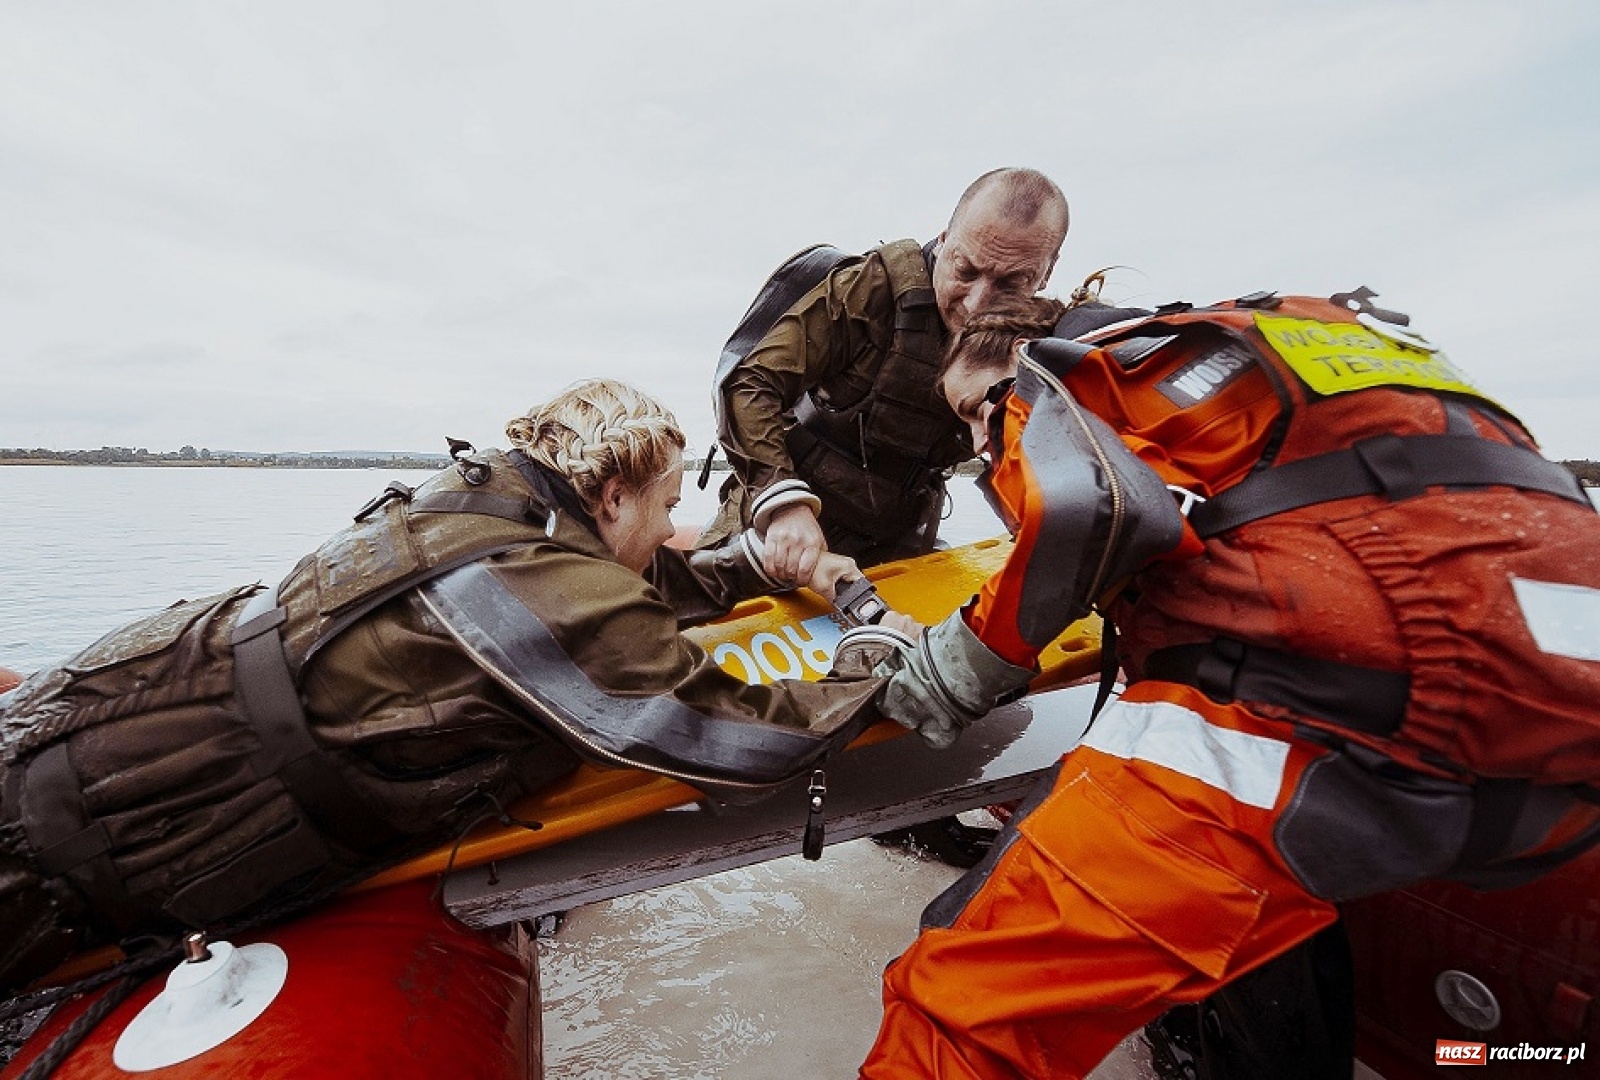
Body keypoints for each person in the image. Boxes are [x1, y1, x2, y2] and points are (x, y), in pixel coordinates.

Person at [857, 287, 1600, 1078]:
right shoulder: (1291, 340)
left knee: (963, 1011)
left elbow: (1075, 515)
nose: (980, 439)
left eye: (976, 408)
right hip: (1565, 671)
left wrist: (949, 675)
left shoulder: (1056, 377)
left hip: (1340, 687)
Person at [0, 379, 902, 996]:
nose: (678, 527)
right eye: (669, 507)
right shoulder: (543, 583)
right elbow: (741, 735)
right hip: (123, 810)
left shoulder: (482, 501)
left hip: (108, 697)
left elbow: (607, 593)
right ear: (616, 495)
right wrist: (876, 651)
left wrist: (748, 565)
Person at [697, 167, 1069, 584]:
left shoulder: (1043, 342)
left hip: (898, 538)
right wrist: (783, 503)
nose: (976, 303)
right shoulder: (870, 290)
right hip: (783, 513)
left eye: (1010, 282)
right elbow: (750, 383)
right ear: (945, 242)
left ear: (1044, 275)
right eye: (965, 270)